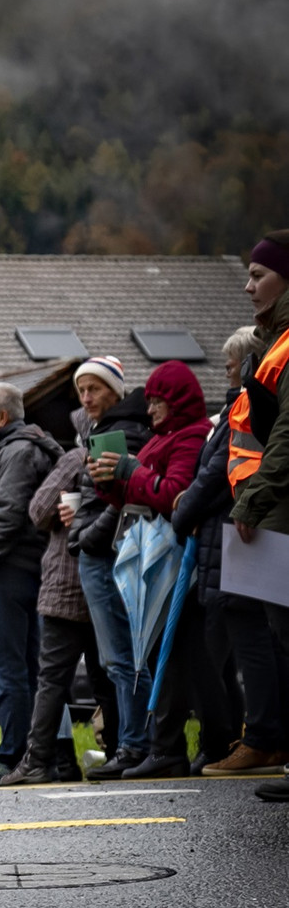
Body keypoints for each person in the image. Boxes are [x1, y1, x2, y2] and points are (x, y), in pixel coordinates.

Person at [91, 360, 222, 778]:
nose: (149, 412)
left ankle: (172, 748)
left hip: (175, 563)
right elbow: (140, 496)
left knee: (174, 656)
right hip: (159, 559)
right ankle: (203, 745)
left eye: (156, 402)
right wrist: (109, 482)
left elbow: (174, 496)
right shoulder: (165, 437)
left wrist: (130, 470)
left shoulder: (189, 437)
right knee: (182, 656)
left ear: (177, 401)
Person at [178, 327, 270, 775]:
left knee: (233, 650)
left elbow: (221, 471)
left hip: (241, 538)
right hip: (231, 540)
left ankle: (253, 739)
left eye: (233, 366)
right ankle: (247, 738)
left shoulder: (247, 408)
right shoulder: (239, 407)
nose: (227, 375)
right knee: (241, 647)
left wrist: (183, 510)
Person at [0, 382, 63, 787]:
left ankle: (12, 757)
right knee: (23, 667)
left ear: (2, 417)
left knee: (8, 668)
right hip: (19, 567)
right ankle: (33, 755)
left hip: (5, 570)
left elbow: (7, 514)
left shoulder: (16, 452)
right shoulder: (19, 448)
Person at [67, 356, 154, 780]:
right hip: (104, 552)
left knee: (122, 657)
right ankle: (136, 743)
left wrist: (86, 537)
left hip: (107, 556)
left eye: (95, 388)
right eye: (82, 390)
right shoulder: (105, 429)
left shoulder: (121, 431)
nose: (86, 398)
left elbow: (119, 499)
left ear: (115, 391)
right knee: (120, 656)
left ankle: (135, 745)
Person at [1, 437, 103, 784]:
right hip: (108, 581)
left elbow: (39, 510)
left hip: (68, 581)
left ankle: (39, 759)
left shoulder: (77, 458)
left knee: (51, 679)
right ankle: (121, 749)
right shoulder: (140, 442)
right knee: (107, 675)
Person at [231, 230, 289, 647]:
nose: (249, 286)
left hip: (273, 512)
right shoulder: (273, 345)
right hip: (269, 516)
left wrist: (252, 502)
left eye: (258, 274)